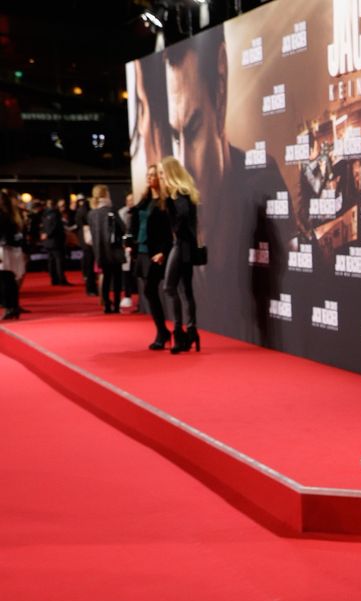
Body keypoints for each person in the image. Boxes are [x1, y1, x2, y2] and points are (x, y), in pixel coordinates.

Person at [164, 24, 294, 342]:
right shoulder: (185, 205)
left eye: (192, 131)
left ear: (220, 94)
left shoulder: (263, 179)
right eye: (174, 136)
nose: (183, 164)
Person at [159, 155, 201, 354]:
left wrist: (175, 229)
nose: (160, 177)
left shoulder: (177, 195)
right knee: (186, 291)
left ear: (169, 173)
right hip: (186, 246)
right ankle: (191, 331)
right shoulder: (184, 193)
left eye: (161, 173)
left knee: (170, 287)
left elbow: (182, 218)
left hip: (181, 246)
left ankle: (179, 331)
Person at [130, 164, 173, 350]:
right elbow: (136, 222)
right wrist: (131, 244)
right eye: (148, 175)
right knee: (149, 291)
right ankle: (162, 331)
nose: (149, 178)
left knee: (150, 290)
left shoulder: (166, 201)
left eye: (153, 175)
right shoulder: (145, 199)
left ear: (160, 178)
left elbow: (168, 232)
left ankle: (163, 332)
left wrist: (163, 251)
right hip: (141, 250)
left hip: (156, 251)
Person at [87, 185, 126, 315]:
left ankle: (106, 305)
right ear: (105, 194)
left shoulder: (91, 214)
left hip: (100, 250)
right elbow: (122, 228)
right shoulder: (111, 210)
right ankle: (116, 305)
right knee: (117, 279)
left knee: (106, 278)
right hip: (114, 249)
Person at [0, 189, 28, 319]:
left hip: (4, 249)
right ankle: (13, 307)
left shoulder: (4, 215)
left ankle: (10, 308)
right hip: (13, 250)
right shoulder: (14, 214)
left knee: (6, 280)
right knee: (10, 280)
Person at [40, 198, 71, 285]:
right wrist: (48, 234)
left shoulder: (44, 214)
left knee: (51, 261)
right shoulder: (55, 214)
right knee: (59, 261)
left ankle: (54, 280)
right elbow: (55, 227)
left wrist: (44, 234)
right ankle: (61, 280)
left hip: (48, 242)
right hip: (56, 241)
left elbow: (43, 227)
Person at [74, 195, 98, 296]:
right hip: (88, 243)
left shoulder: (81, 211)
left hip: (85, 242)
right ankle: (91, 288)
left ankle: (91, 287)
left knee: (89, 266)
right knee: (90, 266)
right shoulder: (86, 212)